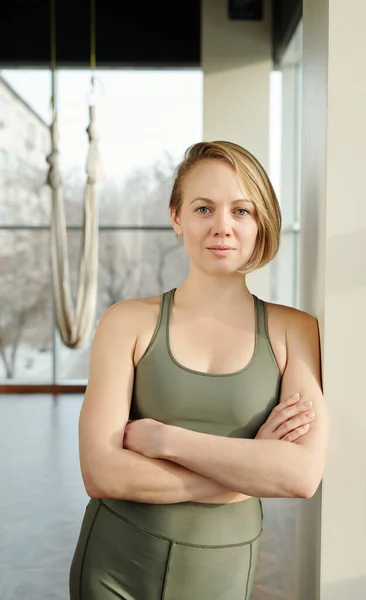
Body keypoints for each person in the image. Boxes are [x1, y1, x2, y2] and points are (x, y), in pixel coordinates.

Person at [69, 140, 328, 600]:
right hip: (115, 563)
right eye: (204, 208)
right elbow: (102, 474)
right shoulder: (126, 322)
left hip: (223, 567)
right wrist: (246, 469)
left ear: (260, 221)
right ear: (177, 218)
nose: (222, 227)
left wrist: (168, 441)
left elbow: (301, 476)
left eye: (241, 211)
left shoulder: (295, 331)